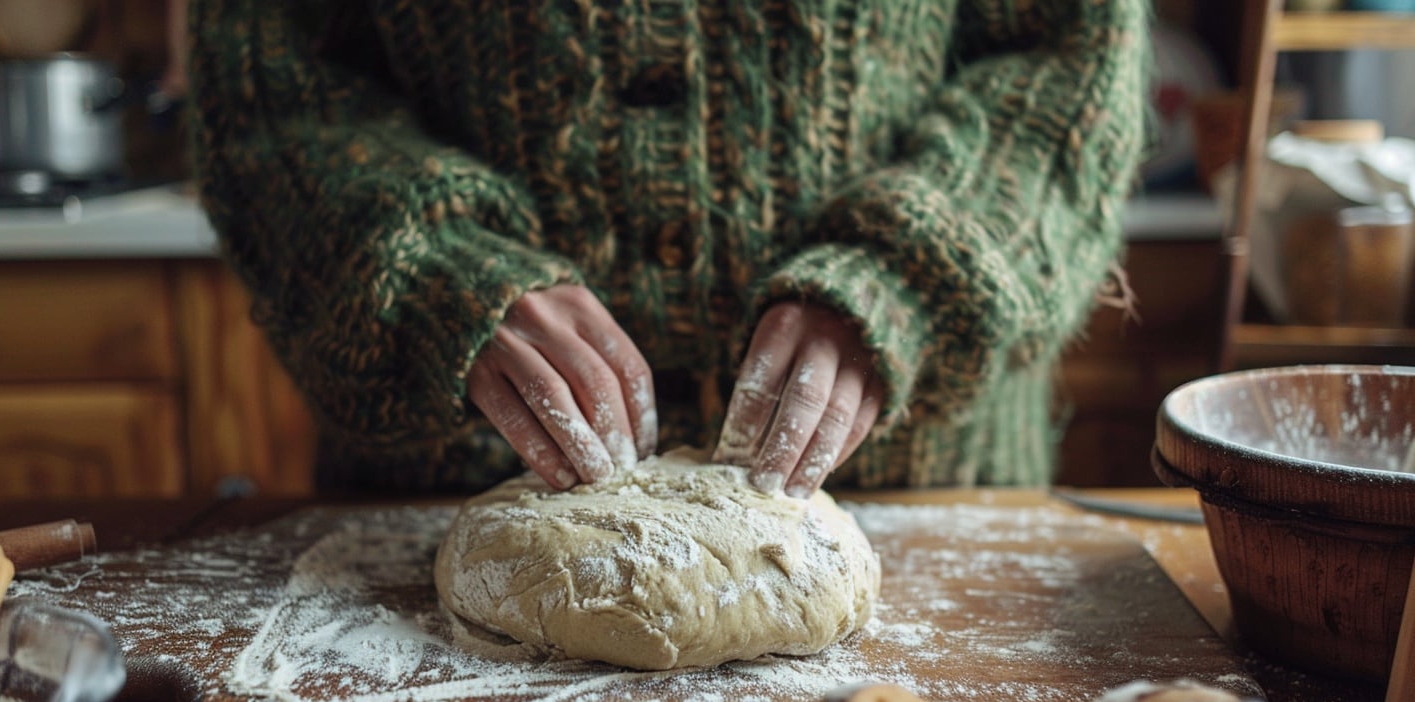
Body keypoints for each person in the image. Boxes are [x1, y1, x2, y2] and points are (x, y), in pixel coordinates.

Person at [188, 0, 1149, 497]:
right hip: (435, 511)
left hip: (922, 501)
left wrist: (912, 271)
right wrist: (434, 265)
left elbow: (1065, 61)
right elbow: (277, 85)